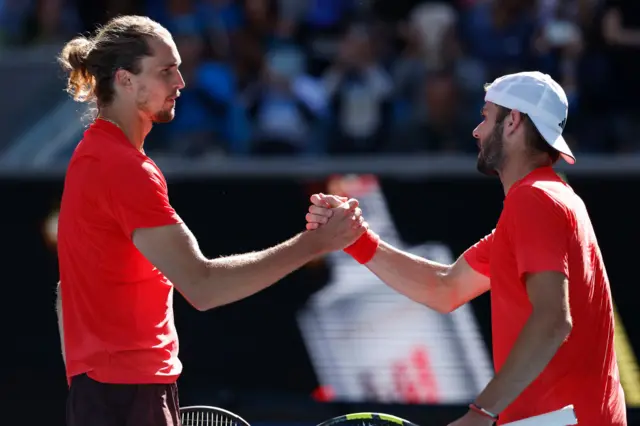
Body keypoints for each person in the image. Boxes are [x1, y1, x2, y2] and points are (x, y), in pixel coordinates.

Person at [55, 15, 367, 426]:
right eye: (166, 71)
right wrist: (317, 243)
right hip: (128, 395)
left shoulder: (91, 155)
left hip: (108, 392)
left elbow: (64, 298)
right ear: (126, 80)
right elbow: (202, 286)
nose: (181, 82)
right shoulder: (123, 168)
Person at [305, 71, 626, 426]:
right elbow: (445, 287)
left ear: (513, 123)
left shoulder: (535, 199)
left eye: (486, 116)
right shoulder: (548, 199)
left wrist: (480, 413)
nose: (476, 130)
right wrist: (356, 238)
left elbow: (552, 320)